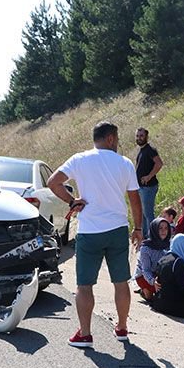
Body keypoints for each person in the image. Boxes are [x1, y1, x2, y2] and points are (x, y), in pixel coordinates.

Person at [47, 121, 143, 347]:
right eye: (117, 139)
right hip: (117, 229)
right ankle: (121, 328)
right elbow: (135, 200)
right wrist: (138, 228)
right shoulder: (125, 163)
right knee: (121, 282)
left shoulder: (79, 159)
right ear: (110, 138)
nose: (118, 144)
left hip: (90, 231)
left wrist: (72, 201)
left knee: (85, 285)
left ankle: (86, 333)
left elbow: (53, 182)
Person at [133, 217, 171, 300]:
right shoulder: (146, 248)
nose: (163, 231)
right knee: (150, 298)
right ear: (154, 230)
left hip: (158, 274)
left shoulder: (168, 245)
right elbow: (145, 270)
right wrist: (153, 281)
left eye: (166, 228)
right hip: (144, 275)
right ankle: (144, 290)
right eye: (160, 228)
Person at [134, 127, 163, 228]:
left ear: (146, 136)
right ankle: (145, 237)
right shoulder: (142, 151)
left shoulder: (150, 150)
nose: (139, 138)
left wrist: (149, 176)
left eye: (141, 136)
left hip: (148, 187)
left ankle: (153, 237)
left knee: (148, 214)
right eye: (137, 136)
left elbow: (159, 163)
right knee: (143, 214)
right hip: (141, 187)